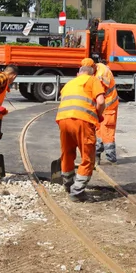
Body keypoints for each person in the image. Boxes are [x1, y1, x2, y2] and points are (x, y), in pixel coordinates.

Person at [56, 65, 105, 201]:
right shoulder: (92, 80)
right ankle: (77, 192)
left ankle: (68, 183)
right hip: (83, 120)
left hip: (63, 119)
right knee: (87, 156)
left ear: (78, 73)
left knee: (67, 153)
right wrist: (98, 115)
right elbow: (101, 102)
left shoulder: (69, 83)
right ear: (92, 73)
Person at [81, 57, 119, 163]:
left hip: (108, 106)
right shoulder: (99, 67)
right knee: (98, 130)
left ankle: (111, 160)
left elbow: (98, 96)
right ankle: (96, 155)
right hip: (105, 104)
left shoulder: (100, 77)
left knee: (107, 132)